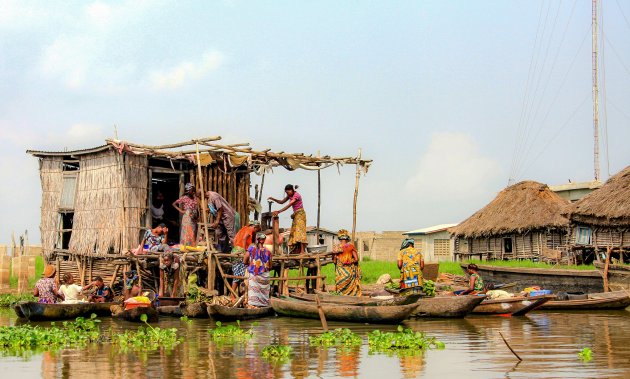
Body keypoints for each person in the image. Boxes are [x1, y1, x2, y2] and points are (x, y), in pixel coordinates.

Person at [269, 184, 307, 254]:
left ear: (292, 190)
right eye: (286, 192)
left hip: (300, 214)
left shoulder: (296, 195)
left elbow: (289, 205)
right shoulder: (290, 195)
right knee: (295, 231)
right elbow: (282, 202)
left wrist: (278, 211)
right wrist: (273, 199)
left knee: (300, 231)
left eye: (288, 192)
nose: (287, 193)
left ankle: (302, 251)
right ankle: (297, 250)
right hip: (296, 215)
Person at [230, 220, 261, 297]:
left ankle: (235, 295)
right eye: (256, 230)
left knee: (238, 273)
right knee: (239, 275)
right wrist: (244, 251)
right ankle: (232, 295)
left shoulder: (243, 228)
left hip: (235, 251)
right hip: (240, 252)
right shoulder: (249, 229)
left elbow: (234, 240)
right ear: (255, 227)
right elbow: (244, 239)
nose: (255, 232)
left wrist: (236, 248)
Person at [244, 233, 272, 308]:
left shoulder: (251, 249)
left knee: (253, 292)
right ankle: (263, 304)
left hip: (255, 275)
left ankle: (253, 305)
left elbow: (244, 261)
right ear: (264, 240)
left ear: (257, 239)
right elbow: (270, 266)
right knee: (264, 292)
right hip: (265, 276)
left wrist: (250, 265)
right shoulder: (268, 251)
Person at [333, 231, 362, 296]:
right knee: (351, 285)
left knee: (340, 283)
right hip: (349, 270)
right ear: (347, 239)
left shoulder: (336, 247)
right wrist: (350, 261)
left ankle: (341, 297)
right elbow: (356, 259)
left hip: (340, 271)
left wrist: (337, 258)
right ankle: (351, 296)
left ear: (340, 239)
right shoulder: (351, 246)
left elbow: (334, 261)